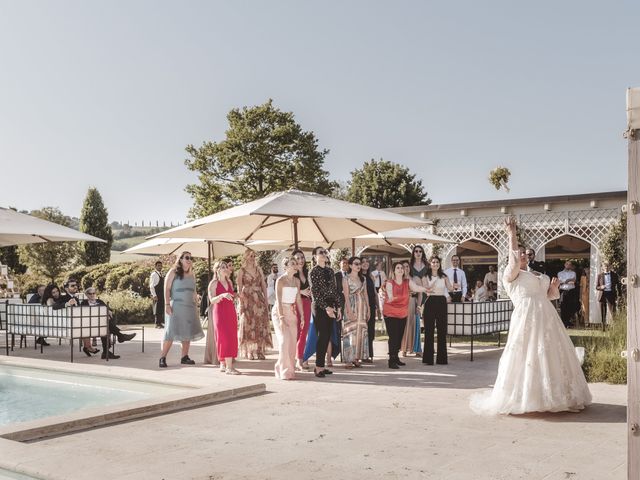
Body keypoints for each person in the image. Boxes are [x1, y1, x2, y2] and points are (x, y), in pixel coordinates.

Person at [470, 217, 592, 415]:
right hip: (527, 317)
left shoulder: (537, 273)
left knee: (551, 354)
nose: (523, 255)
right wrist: (511, 234)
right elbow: (515, 260)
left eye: (525, 253)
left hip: (547, 317)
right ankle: (527, 398)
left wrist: (553, 288)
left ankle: (558, 396)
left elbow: (550, 296)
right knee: (526, 354)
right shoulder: (511, 275)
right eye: (520, 253)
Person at [159, 252, 204, 368]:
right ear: (180, 260)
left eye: (191, 258)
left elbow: (194, 291)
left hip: (190, 306)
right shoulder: (173, 272)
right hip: (176, 306)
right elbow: (167, 289)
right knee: (171, 331)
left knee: (187, 331)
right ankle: (162, 357)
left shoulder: (192, 274)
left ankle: (184, 357)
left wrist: (196, 301)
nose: (189, 260)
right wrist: (167, 304)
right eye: (187, 257)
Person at [381, 262, 429, 369]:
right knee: (393, 337)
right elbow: (389, 294)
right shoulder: (390, 282)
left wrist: (426, 289)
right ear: (394, 271)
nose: (400, 269)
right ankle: (391, 360)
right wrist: (391, 297)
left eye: (402, 268)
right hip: (390, 313)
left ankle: (396, 357)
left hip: (402, 313)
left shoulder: (407, 282)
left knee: (399, 337)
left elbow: (416, 288)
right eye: (398, 268)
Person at [81, 287, 136, 360]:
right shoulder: (84, 303)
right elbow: (82, 314)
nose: (92, 295)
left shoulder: (99, 301)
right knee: (106, 325)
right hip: (90, 324)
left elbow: (107, 309)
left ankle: (106, 352)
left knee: (106, 326)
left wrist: (108, 311)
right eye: (90, 294)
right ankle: (120, 337)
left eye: (93, 293)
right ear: (86, 295)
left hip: (101, 324)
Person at [237, 249, 272, 360]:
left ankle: (259, 350)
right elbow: (239, 288)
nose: (252, 258)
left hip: (259, 299)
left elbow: (263, 285)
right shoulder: (241, 271)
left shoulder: (259, 269)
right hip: (247, 299)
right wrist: (241, 303)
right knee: (248, 324)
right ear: (246, 257)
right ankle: (249, 351)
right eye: (250, 256)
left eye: (253, 256)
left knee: (260, 323)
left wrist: (266, 300)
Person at [309, 247, 339, 378]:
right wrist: (327, 308)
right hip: (320, 307)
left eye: (325, 252)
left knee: (327, 337)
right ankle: (318, 367)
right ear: (315, 256)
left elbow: (334, 290)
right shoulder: (313, 272)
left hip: (331, 306)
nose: (324, 254)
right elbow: (315, 293)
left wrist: (338, 307)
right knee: (323, 336)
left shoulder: (330, 271)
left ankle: (322, 365)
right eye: (320, 252)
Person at [273, 256, 304, 380]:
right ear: (285, 267)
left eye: (295, 263)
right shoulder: (280, 280)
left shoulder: (296, 281)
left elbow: (298, 300)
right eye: (292, 263)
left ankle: (289, 369)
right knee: (283, 341)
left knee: (291, 343)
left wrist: (302, 317)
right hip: (279, 312)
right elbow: (278, 301)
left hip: (292, 312)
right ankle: (283, 370)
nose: (295, 265)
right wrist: (281, 318)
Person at [208, 260, 239, 374]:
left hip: (231, 311)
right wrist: (222, 295)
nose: (225, 268)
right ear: (217, 270)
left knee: (231, 337)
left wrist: (237, 295)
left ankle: (223, 364)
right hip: (219, 313)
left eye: (226, 266)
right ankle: (229, 368)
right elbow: (212, 300)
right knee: (223, 338)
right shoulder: (213, 283)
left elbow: (231, 295)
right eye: (222, 267)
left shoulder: (229, 282)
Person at [53, 278, 99, 356]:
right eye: (72, 286)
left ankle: (88, 346)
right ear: (66, 288)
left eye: (76, 285)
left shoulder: (76, 298)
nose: (75, 287)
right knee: (86, 325)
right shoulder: (63, 297)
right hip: (68, 322)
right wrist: (67, 304)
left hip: (77, 320)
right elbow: (54, 306)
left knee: (90, 321)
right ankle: (88, 347)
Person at [422, 256, 453, 365]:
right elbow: (427, 290)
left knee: (442, 330)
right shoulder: (425, 276)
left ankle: (442, 359)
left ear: (439, 264)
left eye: (437, 262)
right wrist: (433, 284)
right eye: (433, 262)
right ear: (430, 264)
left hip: (441, 302)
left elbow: (450, 288)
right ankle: (428, 359)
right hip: (430, 302)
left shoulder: (444, 276)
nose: (435, 264)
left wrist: (453, 286)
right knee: (429, 331)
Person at [341, 256, 370, 368]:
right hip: (351, 306)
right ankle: (348, 359)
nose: (358, 266)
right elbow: (346, 296)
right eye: (356, 264)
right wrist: (349, 311)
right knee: (350, 332)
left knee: (360, 332)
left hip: (362, 307)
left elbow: (366, 294)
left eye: (359, 264)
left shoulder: (363, 278)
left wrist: (369, 309)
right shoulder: (346, 278)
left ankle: (357, 357)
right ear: (350, 265)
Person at [401, 246, 427, 358]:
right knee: (404, 326)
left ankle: (417, 349)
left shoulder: (415, 278)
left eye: (407, 267)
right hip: (402, 305)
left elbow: (420, 293)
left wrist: (419, 306)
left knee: (415, 325)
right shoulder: (399, 279)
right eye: (404, 267)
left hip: (414, 302)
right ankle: (404, 349)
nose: (406, 268)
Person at [292, 249, 312, 371]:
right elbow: (286, 289)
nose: (301, 260)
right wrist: (300, 291)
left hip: (307, 304)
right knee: (296, 332)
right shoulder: (292, 274)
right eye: (298, 258)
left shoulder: (307, 272)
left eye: (302, 257)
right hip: (295, 304)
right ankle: (295, 359)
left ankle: (302, 358)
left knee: (304, 331)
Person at [360, 257, 377, 363]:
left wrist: (378, 306)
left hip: (372, 305)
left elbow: (374, 292)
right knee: (363, 330)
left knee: (371, 330)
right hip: (362, 305)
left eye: (367, 262)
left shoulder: (371, 276)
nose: (365, 263)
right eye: (363, 262)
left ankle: (369, 353)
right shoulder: (359, 277)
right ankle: (362, 354)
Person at [596, 262, 621, 328]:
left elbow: (618, 285)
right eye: (605, 266)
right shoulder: (599, 275)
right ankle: (603, 327)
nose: (606, 267)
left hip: (611, 294)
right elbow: (597, 287)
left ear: (610, 267)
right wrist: (601, 287)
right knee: (603, 312)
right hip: (602, 295)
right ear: (603, 267)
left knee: (613, 311)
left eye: (607, 266)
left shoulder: (614, 275)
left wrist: (619, 295)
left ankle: (615, 327)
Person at [558, 261, 578, 327]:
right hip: (563, 291)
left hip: (571, 291)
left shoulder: (573, 273)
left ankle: (568, 322)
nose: (568, 265)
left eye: (570, 264)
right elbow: (560, 282)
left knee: (570, 306)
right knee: (563, 306)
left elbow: (573, 281)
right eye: (567, 264)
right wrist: (568, 280)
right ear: (564, 265)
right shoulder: (560, 273)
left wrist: (566, 281)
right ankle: (564, 322)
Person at [149, 261, 165, 329]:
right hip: (157, 294)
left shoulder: (161, 274)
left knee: (161, 308)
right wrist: (154, 295)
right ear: (155, 266)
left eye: (161, 266)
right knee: (157, 309)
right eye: (158, 266)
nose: (160, 267)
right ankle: (157, 324)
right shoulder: (154, 274)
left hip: (162, 294)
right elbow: (151, 286)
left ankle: (160, 323)